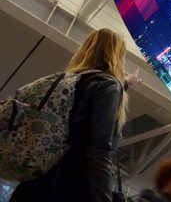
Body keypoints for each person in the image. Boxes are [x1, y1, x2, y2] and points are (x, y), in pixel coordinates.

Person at [10, 28, 130, 202]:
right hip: (66, 188)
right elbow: (99, 150)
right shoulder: (108, 86)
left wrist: (126, 83)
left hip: (35, 182)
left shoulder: (68, 80)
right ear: (117, 56)